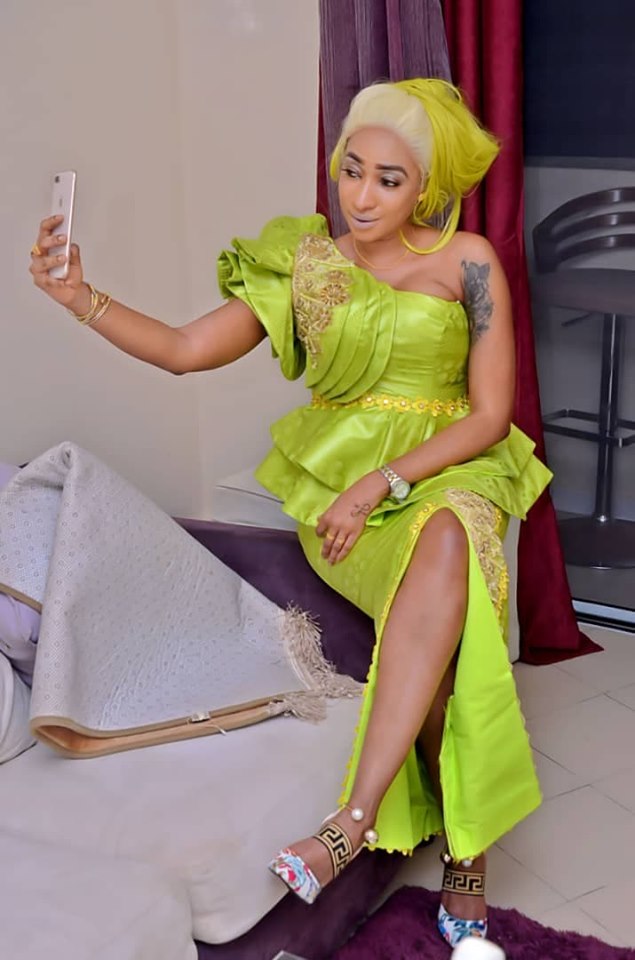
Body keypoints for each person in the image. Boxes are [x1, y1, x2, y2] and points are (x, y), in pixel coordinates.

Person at [29, 78, 551, 947]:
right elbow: (187, 349)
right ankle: (463, 855)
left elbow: (490, 414)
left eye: (388, 179)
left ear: (423, 187)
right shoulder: (305, 265)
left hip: (448, 468)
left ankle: (354, 820)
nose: (361, 195)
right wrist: (82, 298)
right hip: (335, 492)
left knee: (449, 536)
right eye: (351, 169)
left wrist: (384, 482)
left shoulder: (467, 262)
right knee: (446, 608)